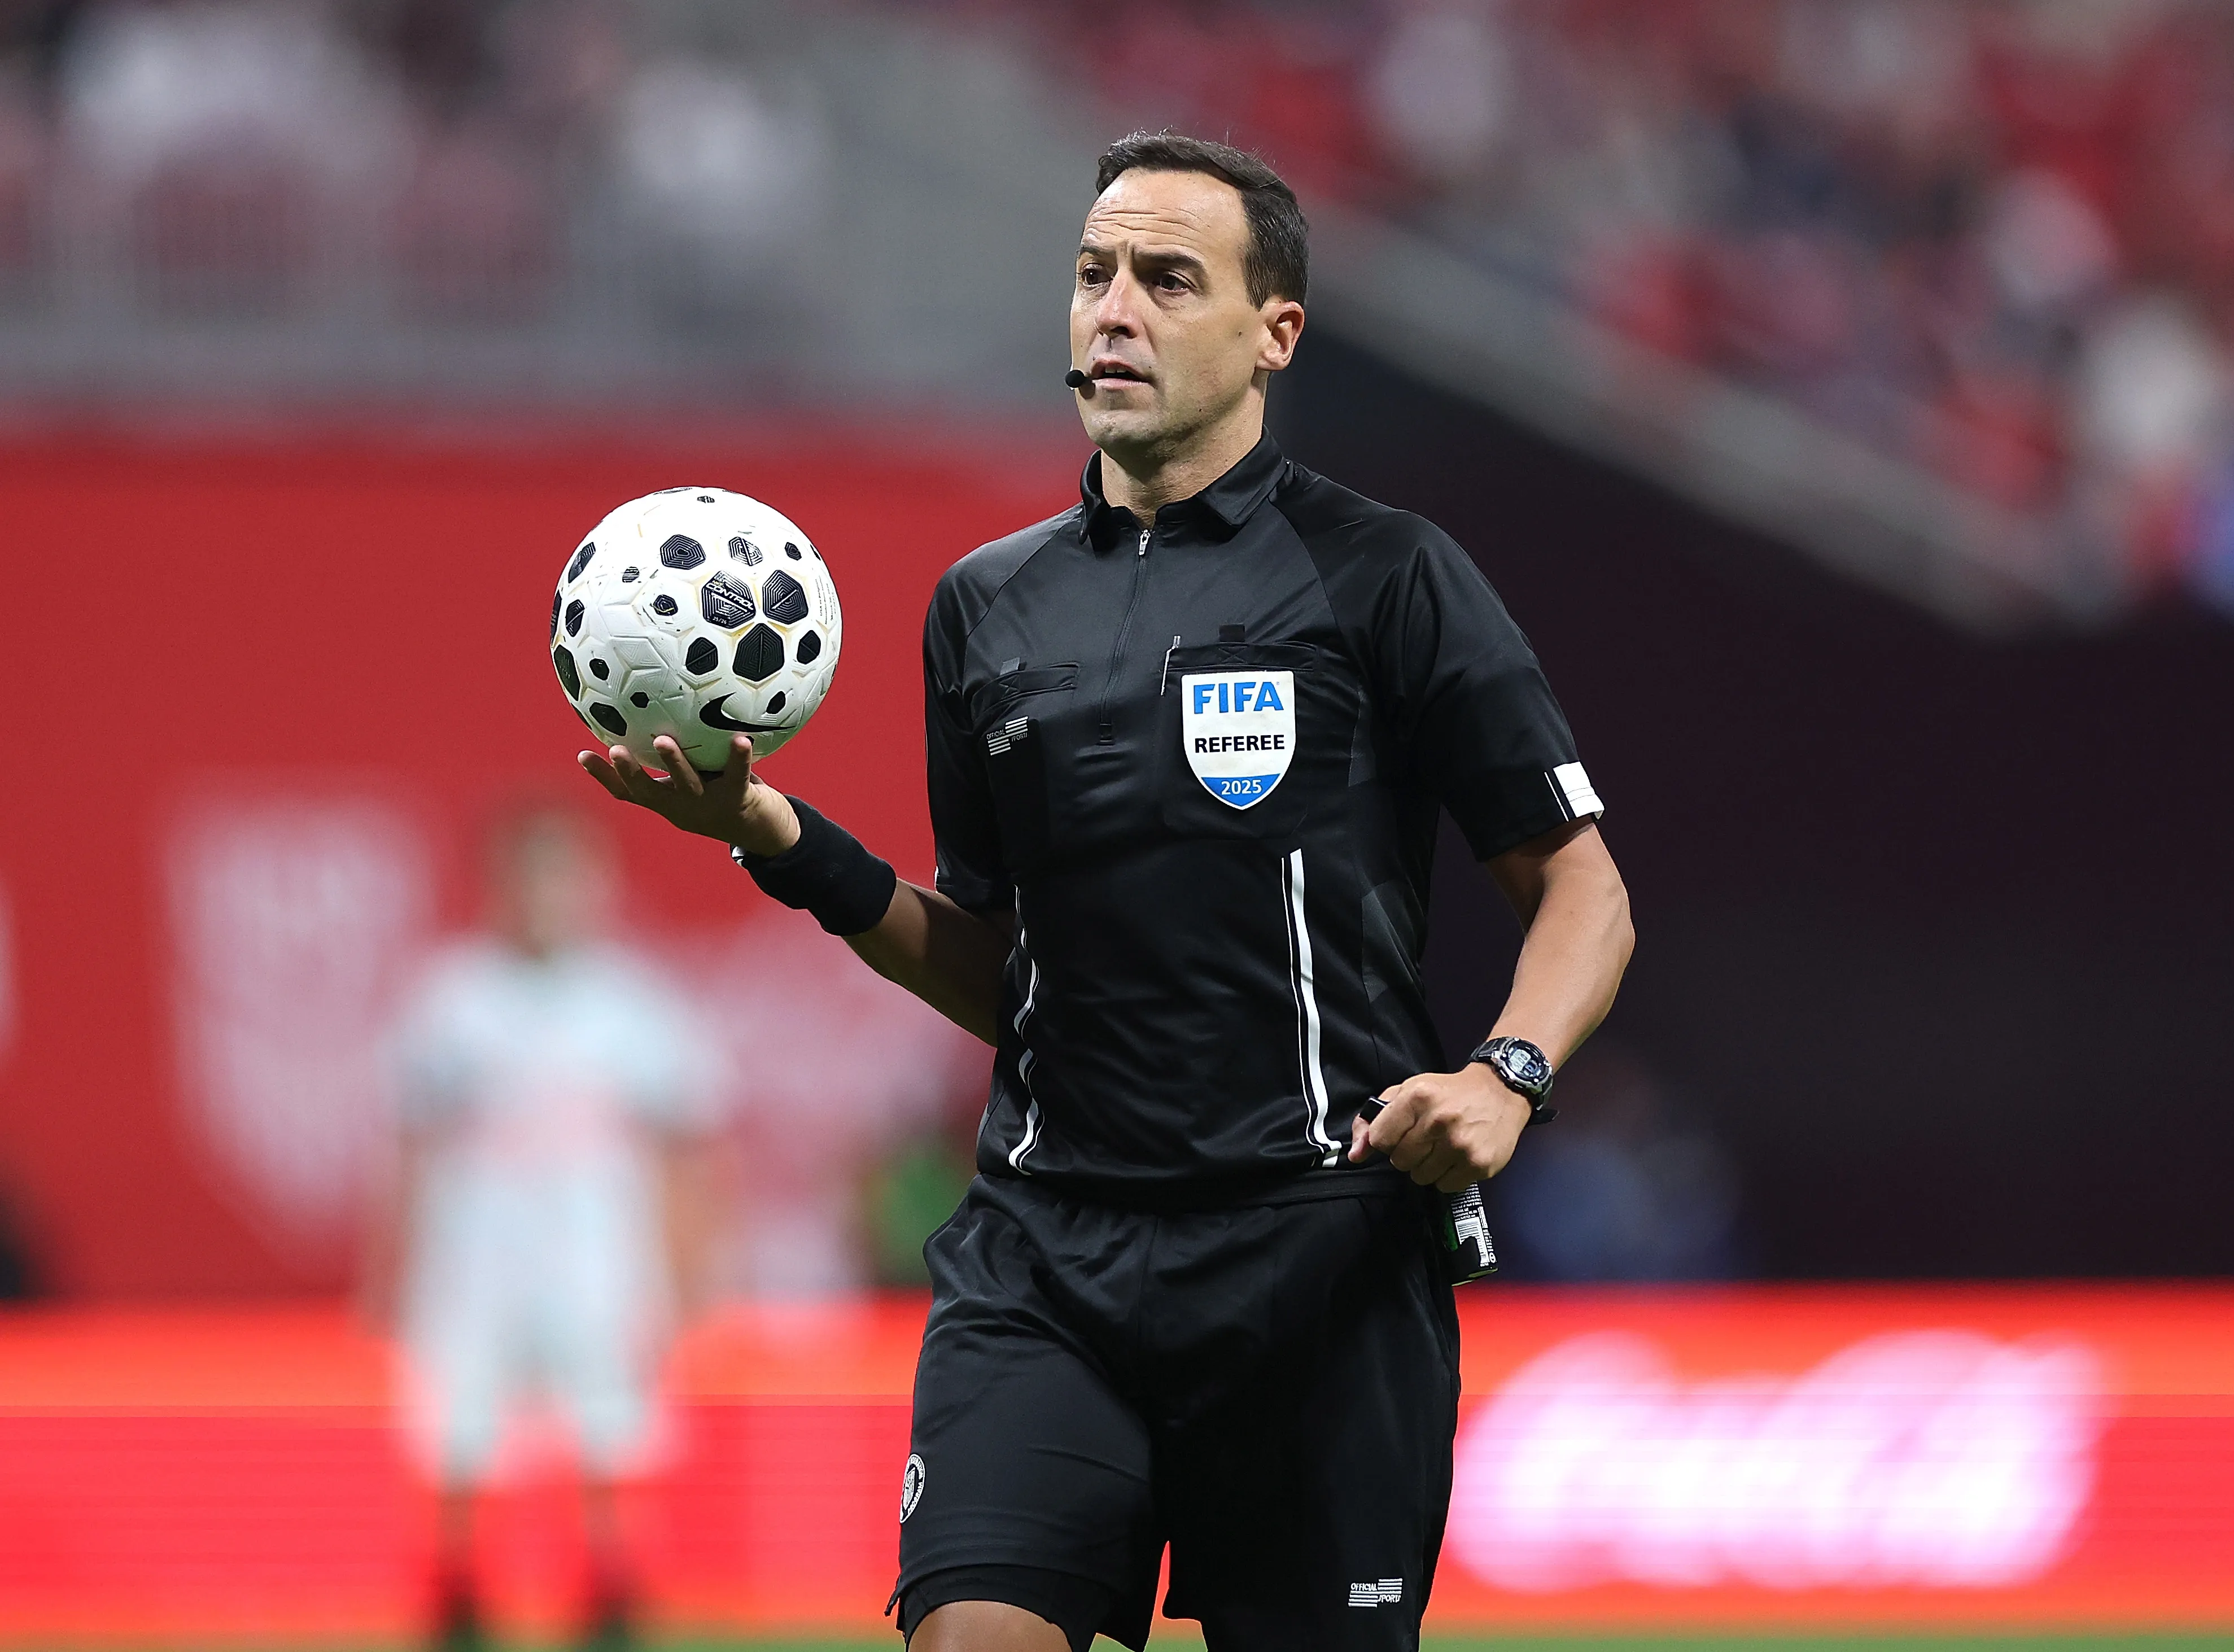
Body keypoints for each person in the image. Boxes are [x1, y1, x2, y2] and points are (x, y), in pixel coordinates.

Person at [578, 131, 1634, 1652]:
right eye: (1091, 275)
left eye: (1163, 276)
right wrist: (774, 832)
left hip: (1315, 1261)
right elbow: (1003, 973)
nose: (1112, 309)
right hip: (1047, 1258)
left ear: (1273, 333)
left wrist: (1506, 1074)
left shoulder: (1384, 574)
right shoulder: (986, 605)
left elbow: (1585, 893)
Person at [373, 806, 725, 1652]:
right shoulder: (450, 998)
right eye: (531, 877)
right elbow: (408, 1146)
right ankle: (458, 1593)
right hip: (475, 1248)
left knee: (609, 1421)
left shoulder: (632, 1002)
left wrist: (692, 1266)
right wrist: (386, 1268)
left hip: (597, 1244)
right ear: (497, 888)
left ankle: (611, 1594)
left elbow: (688, 1142)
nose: (549, 897)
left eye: (567, 877)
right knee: (459, 1425)